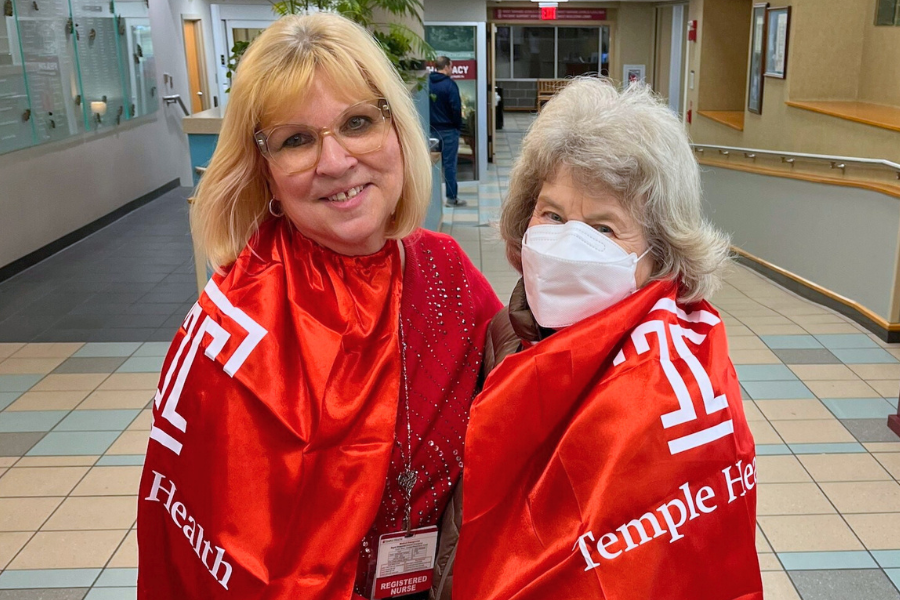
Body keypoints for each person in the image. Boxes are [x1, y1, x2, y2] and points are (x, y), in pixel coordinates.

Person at [137, 13, 501, 600]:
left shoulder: (445, 270)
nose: (334, 162)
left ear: (396, 131)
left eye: (357, 122)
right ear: (266, 171)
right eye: (297, 140)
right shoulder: (234, 327)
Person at [433, 78, 762, 600]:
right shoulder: (508, 331)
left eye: (605, 228)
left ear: (660, 254)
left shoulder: (672, 387)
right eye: (553, 215)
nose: (568, 242)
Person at [429, 56, 465, 207]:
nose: (451, 69)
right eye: (451, 66)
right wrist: (458, 126)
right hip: (449, 130)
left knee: (431, 166)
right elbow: (455, 108)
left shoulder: (428, 83)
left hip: (432, 131)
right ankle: (451, 198)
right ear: (447, 67)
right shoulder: (450, 85)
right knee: (449, 165)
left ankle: (431, 201)